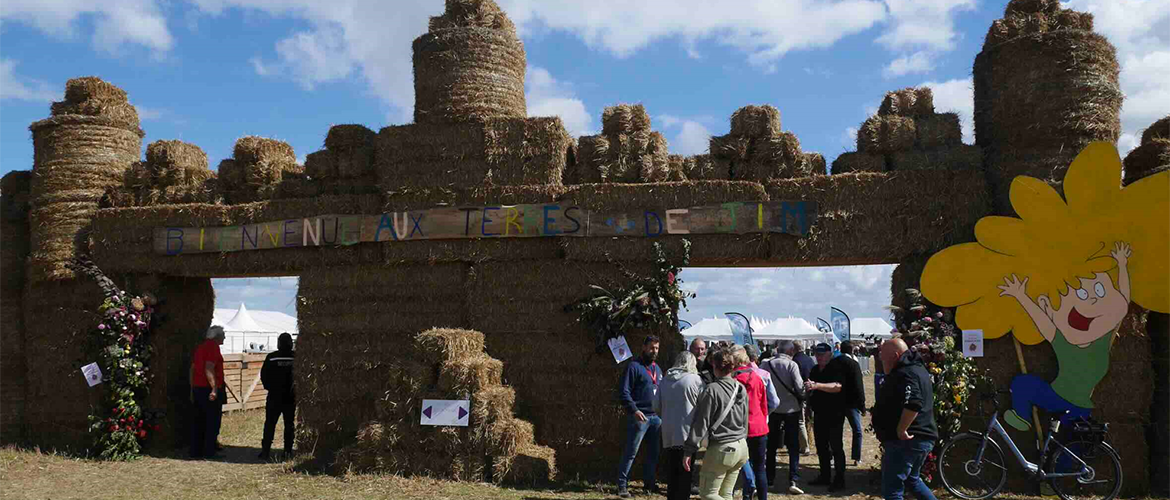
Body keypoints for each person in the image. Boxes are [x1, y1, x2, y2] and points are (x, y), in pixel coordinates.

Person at [874, 339, 939, 500]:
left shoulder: (906, 372)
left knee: (893, 490)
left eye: (883, 357)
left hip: (907, 441)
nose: (881, 360)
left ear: (896, 356)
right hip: (918, 438)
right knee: (912, 480)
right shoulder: (915, 368)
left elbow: (914, 402)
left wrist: (902, 429)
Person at [682, 348, 749, 500]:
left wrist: (689, 450)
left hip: (722, 449)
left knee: (708, 494)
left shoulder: (712, 390)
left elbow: (701, 423)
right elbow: (745, 420)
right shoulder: (741, 388)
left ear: (714, 366)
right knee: (725, 494)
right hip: (741, 447)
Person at [616, 335, 663, 498]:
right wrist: (634, 410)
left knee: (653, 453)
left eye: (656, 348)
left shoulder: (658, 369)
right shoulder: (633, 367)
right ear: (644, 347)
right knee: (631, 452)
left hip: (656, 418)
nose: (654, 351)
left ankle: (649, 484)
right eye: (651, 347)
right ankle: (622, 485)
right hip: (640, 418)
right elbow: (624, 392)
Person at [657, 351, 705, 500]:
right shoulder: (695, 380)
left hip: (668, 434)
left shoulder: (665, 380)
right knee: (685, 478)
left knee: (672, 475)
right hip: (687, 434)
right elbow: (704, 407)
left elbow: (655, 406)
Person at [760, 340, 806, 494]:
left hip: (773, 409)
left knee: (771, 446)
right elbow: (799, 387)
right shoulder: (792, 365)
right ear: (791, 351)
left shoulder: (766, 364)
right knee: (793, 446)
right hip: (791, 408)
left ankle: (770, 478)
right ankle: (793, 478)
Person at [732, 346, 775, 500]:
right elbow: (764, 403)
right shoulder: (758, 378)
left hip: (740, 428)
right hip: (759, 427)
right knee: (760, 468)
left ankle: (747, 493)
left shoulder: (733, 381)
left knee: (738, 466)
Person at [805, 343, 847, 491]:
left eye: (822, 354)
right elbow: (811, 389)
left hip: (835, 413)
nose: (819, 356)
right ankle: (824, 475)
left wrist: (817, 385)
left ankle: (840, 479)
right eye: (817, 354)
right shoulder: (815, 369)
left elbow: (838, 386)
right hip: (819, 413)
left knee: (836, 447)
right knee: (821, 446)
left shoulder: (836, 367)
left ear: (830, 354)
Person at [189, 325, 226, 459]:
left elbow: (192, 368)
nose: (225, 337)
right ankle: (209, 452)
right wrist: (214, 389)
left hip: (198, 388)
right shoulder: (212, 346)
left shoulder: (201, 347)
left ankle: (195, 451)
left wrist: (192, 389)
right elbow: (209, 368)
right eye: (223, 335)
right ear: (217, 337)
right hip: (208, 389)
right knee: (212, 421)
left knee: (198, 421)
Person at [259, 333, 296, 460]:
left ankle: (265, 451)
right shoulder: (296, 357)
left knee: (269, 424)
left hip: (274, 396)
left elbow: (264, 375)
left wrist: (270, 387)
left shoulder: (271, 357)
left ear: (278, 343)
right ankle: (288, 452)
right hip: (290, 397)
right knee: (289, 425)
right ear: (291, 343)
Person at [839, 342, 867, 466]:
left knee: (836, 431)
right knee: (857, 431)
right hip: (852, 403)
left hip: (837, 402)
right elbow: (859, 386)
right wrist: (862, 405)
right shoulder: (854, 364)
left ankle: (835, 456)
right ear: (852, 351)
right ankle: (856, 457)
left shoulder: (834, 363)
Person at [792, 340, 815, 455]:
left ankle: (805, 447)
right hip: (812, 392)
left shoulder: (795, 361)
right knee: (810, 420)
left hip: (801, 394)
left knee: (801, 421)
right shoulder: (809, 359)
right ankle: (811, 442)